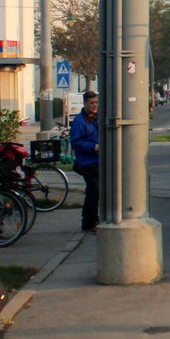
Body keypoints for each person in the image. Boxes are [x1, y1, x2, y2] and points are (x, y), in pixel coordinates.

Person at [69, 90, 99, 234]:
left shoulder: (97, 118)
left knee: (95, 191)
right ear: (85, 103)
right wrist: (93, 146)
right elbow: (76, 142)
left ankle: (91, 219)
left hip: (98, 159)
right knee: (94, 189)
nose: (94, 106)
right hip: (86, 160)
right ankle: (89, 222)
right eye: (92, 103)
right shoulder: (79, 121)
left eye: (96, 102)